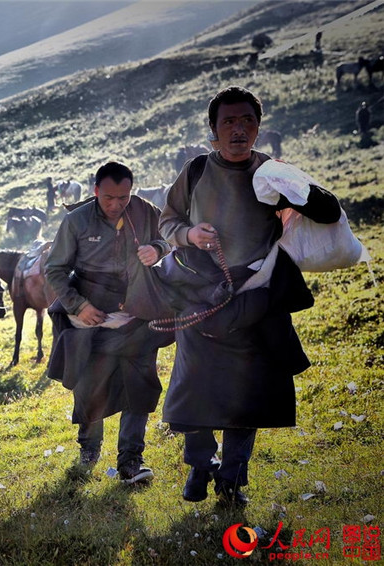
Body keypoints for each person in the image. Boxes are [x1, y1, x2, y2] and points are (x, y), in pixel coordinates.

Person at [158, 86, 341, 506]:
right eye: (229, 122)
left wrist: (298, 189)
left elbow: (328, 212)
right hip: (199, 293)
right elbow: (168, 222)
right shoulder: (196, 170)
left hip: (257, 293)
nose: (238, 130)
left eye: (248, 121)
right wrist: (189, 234)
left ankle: (232, 480)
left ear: (258, 127)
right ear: (213, 129)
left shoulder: (273, 173)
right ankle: (201, 463)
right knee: (194, 386)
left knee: (250, 390)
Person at [45, 161, 175, 484]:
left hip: (137, 308)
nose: (117, 205)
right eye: (109, 198)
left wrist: (156, 249)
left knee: (140, 383)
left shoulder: (145, 211)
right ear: (95, 192)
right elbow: (55, 271)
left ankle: (131, 460)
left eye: (124, 198)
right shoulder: (76, 221)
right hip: (90, 311)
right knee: (90, 386)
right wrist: (80, 305)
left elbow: (169, 238)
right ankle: (88, 450)